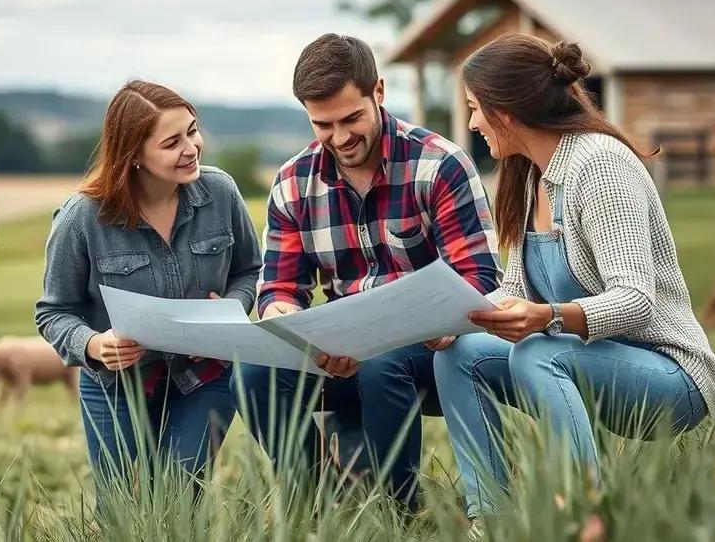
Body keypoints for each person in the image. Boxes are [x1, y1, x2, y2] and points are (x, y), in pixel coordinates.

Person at [434, 33, 715, 521]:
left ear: (505, 111)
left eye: (474, 107)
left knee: (537, 352)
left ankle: (584, 515)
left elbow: (637, 299)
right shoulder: (530, 177)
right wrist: (456, 317)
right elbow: (517, 291)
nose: (472, 122)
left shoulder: (600, 165)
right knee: (460, 356)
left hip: (671, 374)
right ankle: (492, 518)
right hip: (587, 359)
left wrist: (547, 318)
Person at [233, 33, 502, 511]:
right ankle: (319, 503)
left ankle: (399, 508)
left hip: (430, 349)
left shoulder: (439, 165)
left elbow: (477, 281)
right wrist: (292, 326)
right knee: (253, 373)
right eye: (323, 124)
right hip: (337, 349)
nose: (339, 137)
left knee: (382, 362)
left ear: (378, 92)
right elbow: (279, 287)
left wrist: (416, 329)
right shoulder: (294, 182)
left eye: (351, 118)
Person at [34, 80, 262, 502]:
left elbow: (250, 270)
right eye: (171, 142)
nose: (191, 148)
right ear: (134, 154)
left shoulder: (221, 194)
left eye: (192, 131)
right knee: (118, 506)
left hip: (205, 376)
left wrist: (233, 306)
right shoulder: (81, 218)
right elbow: (53, 312)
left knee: (180, 496)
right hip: (116, 385)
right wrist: (93, 344)